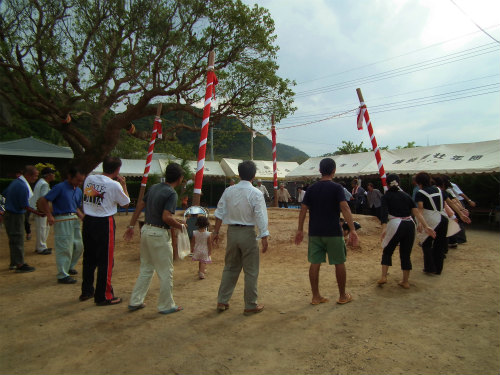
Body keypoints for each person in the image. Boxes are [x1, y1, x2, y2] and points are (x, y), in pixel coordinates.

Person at [295, 158, 358, 305]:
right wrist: (353, 229)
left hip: (315, 232)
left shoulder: (311, 188)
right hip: (333, 232)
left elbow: (303, 209)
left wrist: (300, 229)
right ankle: (342, 296)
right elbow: (345, 208)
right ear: (334, 171)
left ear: (319, 171)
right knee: (339, 262)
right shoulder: (337, 188)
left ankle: (316, 296)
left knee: (315, 263)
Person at [124, 163, 185, 315]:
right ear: (180, 178)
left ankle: (135, 300)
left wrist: (131, 226)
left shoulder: (154, 188)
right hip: (158, 233)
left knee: (146, 268)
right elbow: (166, 217)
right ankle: (166, 305)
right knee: (166, 271)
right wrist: (180, 225)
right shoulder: (171, 193)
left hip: (146, 230)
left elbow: (140, 205)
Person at [213, 160, 269, 315]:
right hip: (248, 233)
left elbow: (219, 212)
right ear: (254, 175)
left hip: (232, 232)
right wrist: (264, 236)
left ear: (238, 174)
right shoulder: (256, 193)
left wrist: (216, 232)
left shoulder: (229, 191)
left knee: (230, 267)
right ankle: (250, 304)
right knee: (251, 270)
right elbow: (260, 216)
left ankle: (222, 300)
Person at [80, 156, 130, 305]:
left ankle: (87, 291)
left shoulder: (90, 179)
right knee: (106, 261)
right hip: (104, 222)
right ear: (117, 170)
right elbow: (126, 203)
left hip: (88, 220)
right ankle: (103, 295)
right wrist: (124, 184)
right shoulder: (114, 185)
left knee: (89, 258)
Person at [378, 174, 436, 289]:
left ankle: (384, 276)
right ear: (399, 183)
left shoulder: (386, 197)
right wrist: (426, 226)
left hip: (395, 225)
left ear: (387, 185)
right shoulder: (406, 195)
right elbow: (417, 213)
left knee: (388, 250)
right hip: (409, 225)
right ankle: (405, 281)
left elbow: (384, 215)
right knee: (405, 254)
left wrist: (384, 229)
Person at [414, 172, 470, 275]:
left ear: (418, 182)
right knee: (439, 245)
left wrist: (421, 223)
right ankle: (438, 269)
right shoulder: (440, 190)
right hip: (443, 220)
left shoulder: (420, 193)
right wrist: (460, 214)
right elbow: (450, 203)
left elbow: (420, 209)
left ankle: (429, 268)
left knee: (426, 243)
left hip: (431, 220)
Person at [37, 166, 85, 284]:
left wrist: (82, 217)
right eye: (77, 180)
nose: (79, 183)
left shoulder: (78, 190)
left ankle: (69, 266)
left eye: (81, 181)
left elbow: (76, 207)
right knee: (64, 246)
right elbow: (44, 200)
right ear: (70, 177)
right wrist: (49, 215)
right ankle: (62, 274)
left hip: (74, 218)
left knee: (78, 245)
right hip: (62, 218)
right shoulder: (60, 187)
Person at [3, 166, 41, 272]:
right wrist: (38, 212)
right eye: (35, 176)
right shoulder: (22, 186)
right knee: (18, 238)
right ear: (28, 175)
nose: (36, 178)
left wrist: (1, 211)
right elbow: (25, 205)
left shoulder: (16, 182)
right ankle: (20, 264)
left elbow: (3, 195)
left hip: (9, 214)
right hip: (15, 215)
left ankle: (14, 262)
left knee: (13, 239)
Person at [30, 167, 56, 255]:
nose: (54, 175)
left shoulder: (41, 182)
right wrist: (46, 211)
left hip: (38, 208)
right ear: (48, 175)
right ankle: (41, 247)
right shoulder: (44, 184)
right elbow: (43, 199)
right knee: (42, 228)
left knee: (42, 228)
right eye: (52, 173)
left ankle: (40, 246)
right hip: (40, 209)